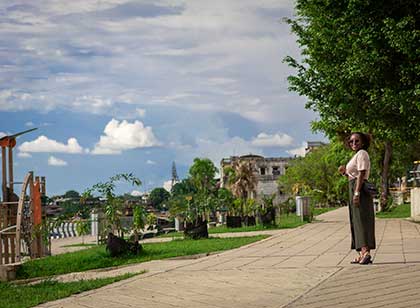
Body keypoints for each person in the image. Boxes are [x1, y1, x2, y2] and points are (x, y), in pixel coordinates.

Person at [338, 132, 375, 265]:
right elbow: (353, 175)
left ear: (363, 142)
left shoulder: (362, 153)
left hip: (358, 188)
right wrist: (344, 173)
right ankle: (361, 254)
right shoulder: (356, 155)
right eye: (351, 141)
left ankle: (366, 252)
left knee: (361, 220)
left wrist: (357, 193)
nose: (353, 144)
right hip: (353, 186)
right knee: (355, 220)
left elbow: (361, 173)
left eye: (356, 141)